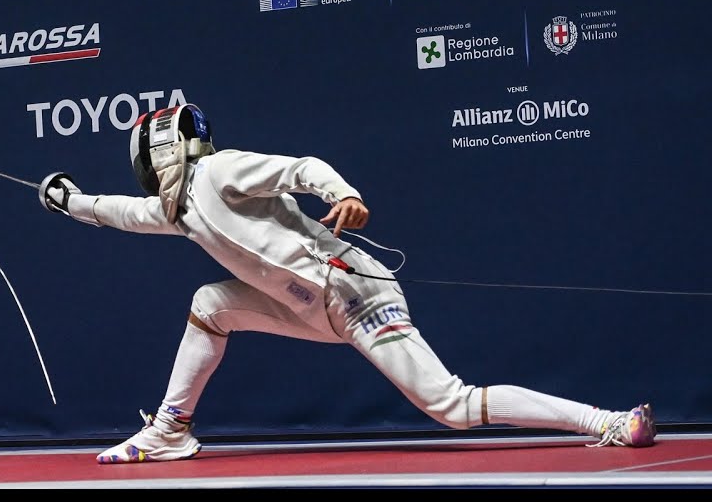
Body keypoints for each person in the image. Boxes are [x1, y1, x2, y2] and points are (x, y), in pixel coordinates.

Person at [36, 103, 656, 464]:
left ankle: (607, 421)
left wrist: (344, 194)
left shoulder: (220, 170)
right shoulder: (177, 211)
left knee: (453, 406)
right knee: (211, 305)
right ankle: (171, 428)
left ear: (158, 152)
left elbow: (301, 168)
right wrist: (70, 201)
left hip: (356, 294)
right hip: (310, 310)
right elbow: (118, 213)